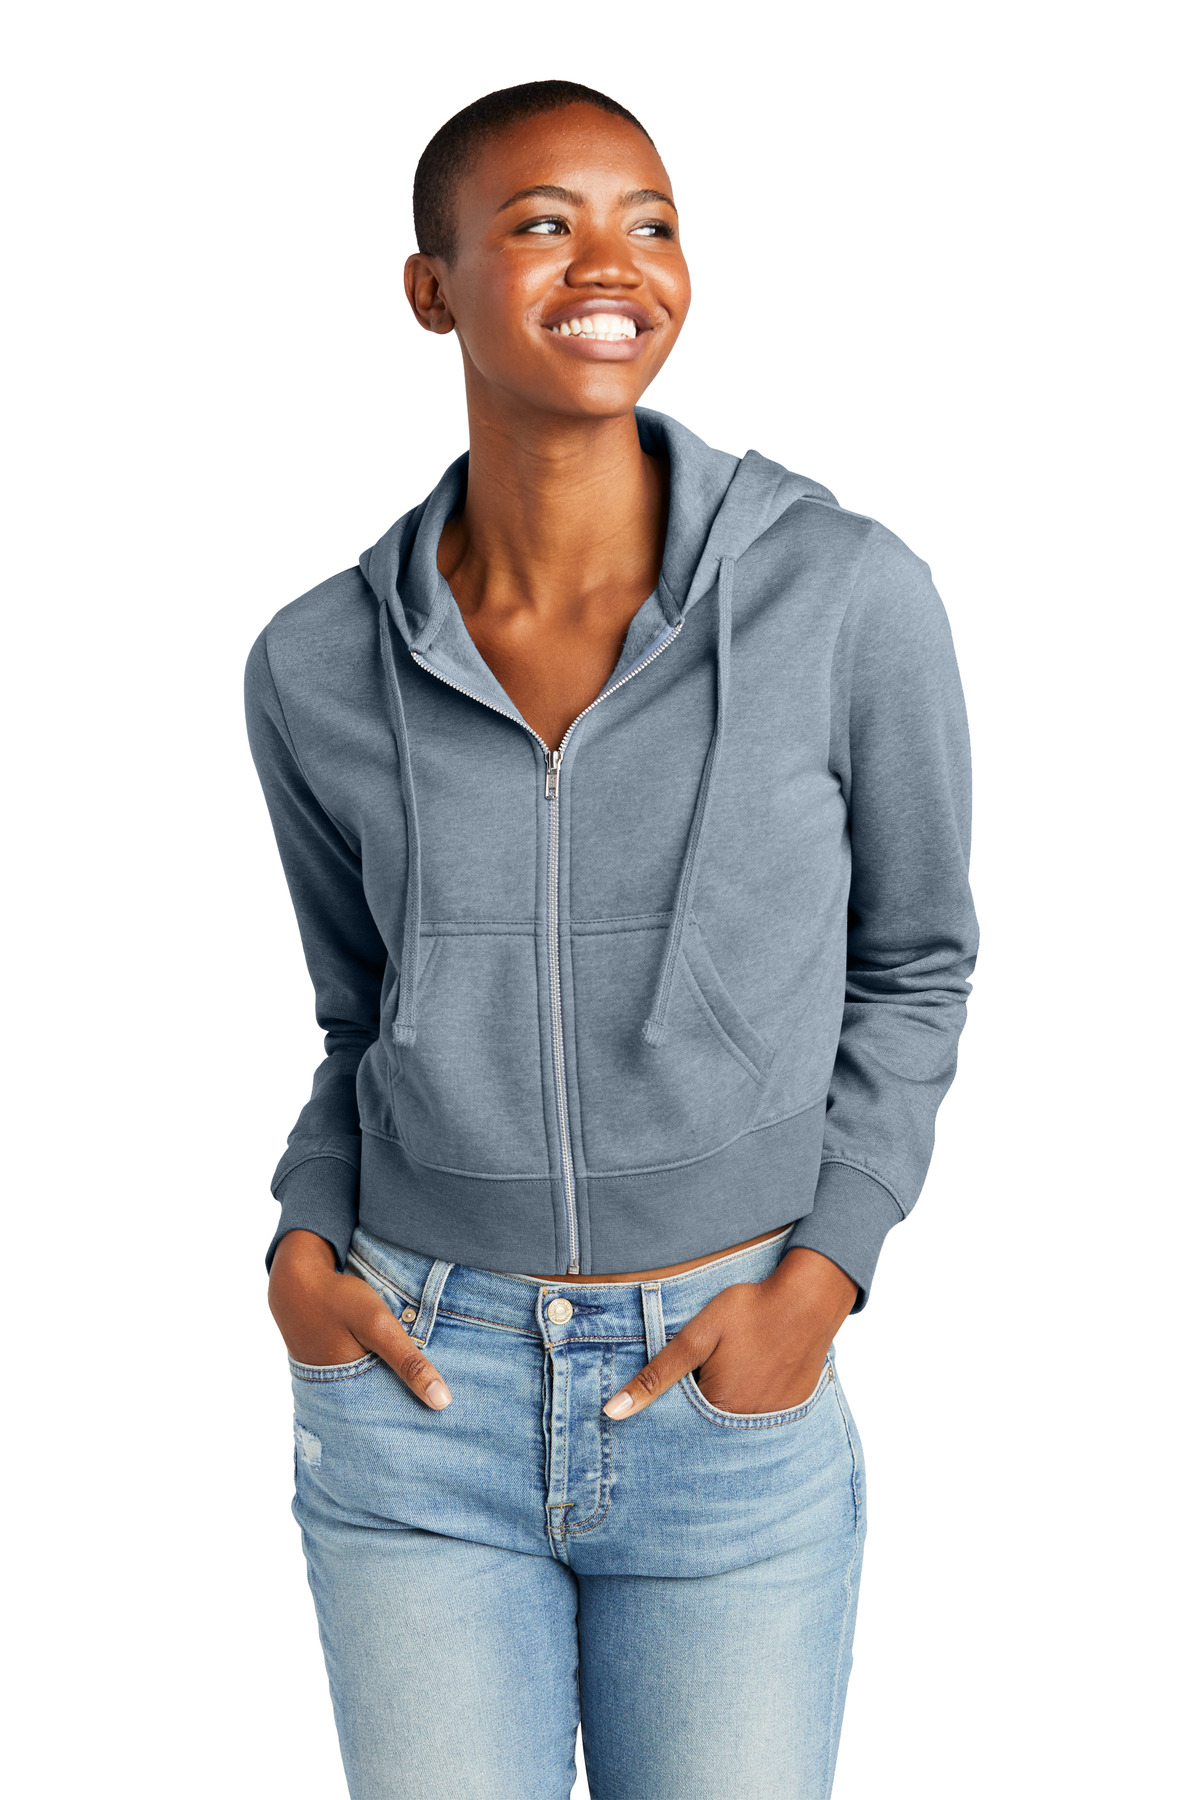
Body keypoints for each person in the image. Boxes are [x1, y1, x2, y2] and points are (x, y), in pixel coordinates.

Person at [244, 79, 977, 1800]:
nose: (612, 263)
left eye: (650, 222)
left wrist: (824, 1274)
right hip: (416, 1392)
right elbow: (362, 1016)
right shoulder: (315, 665)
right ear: (430, 289)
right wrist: (300, 1245)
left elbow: (918, 961)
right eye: (543, 222)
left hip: (725, 1388)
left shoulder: (842, 596)